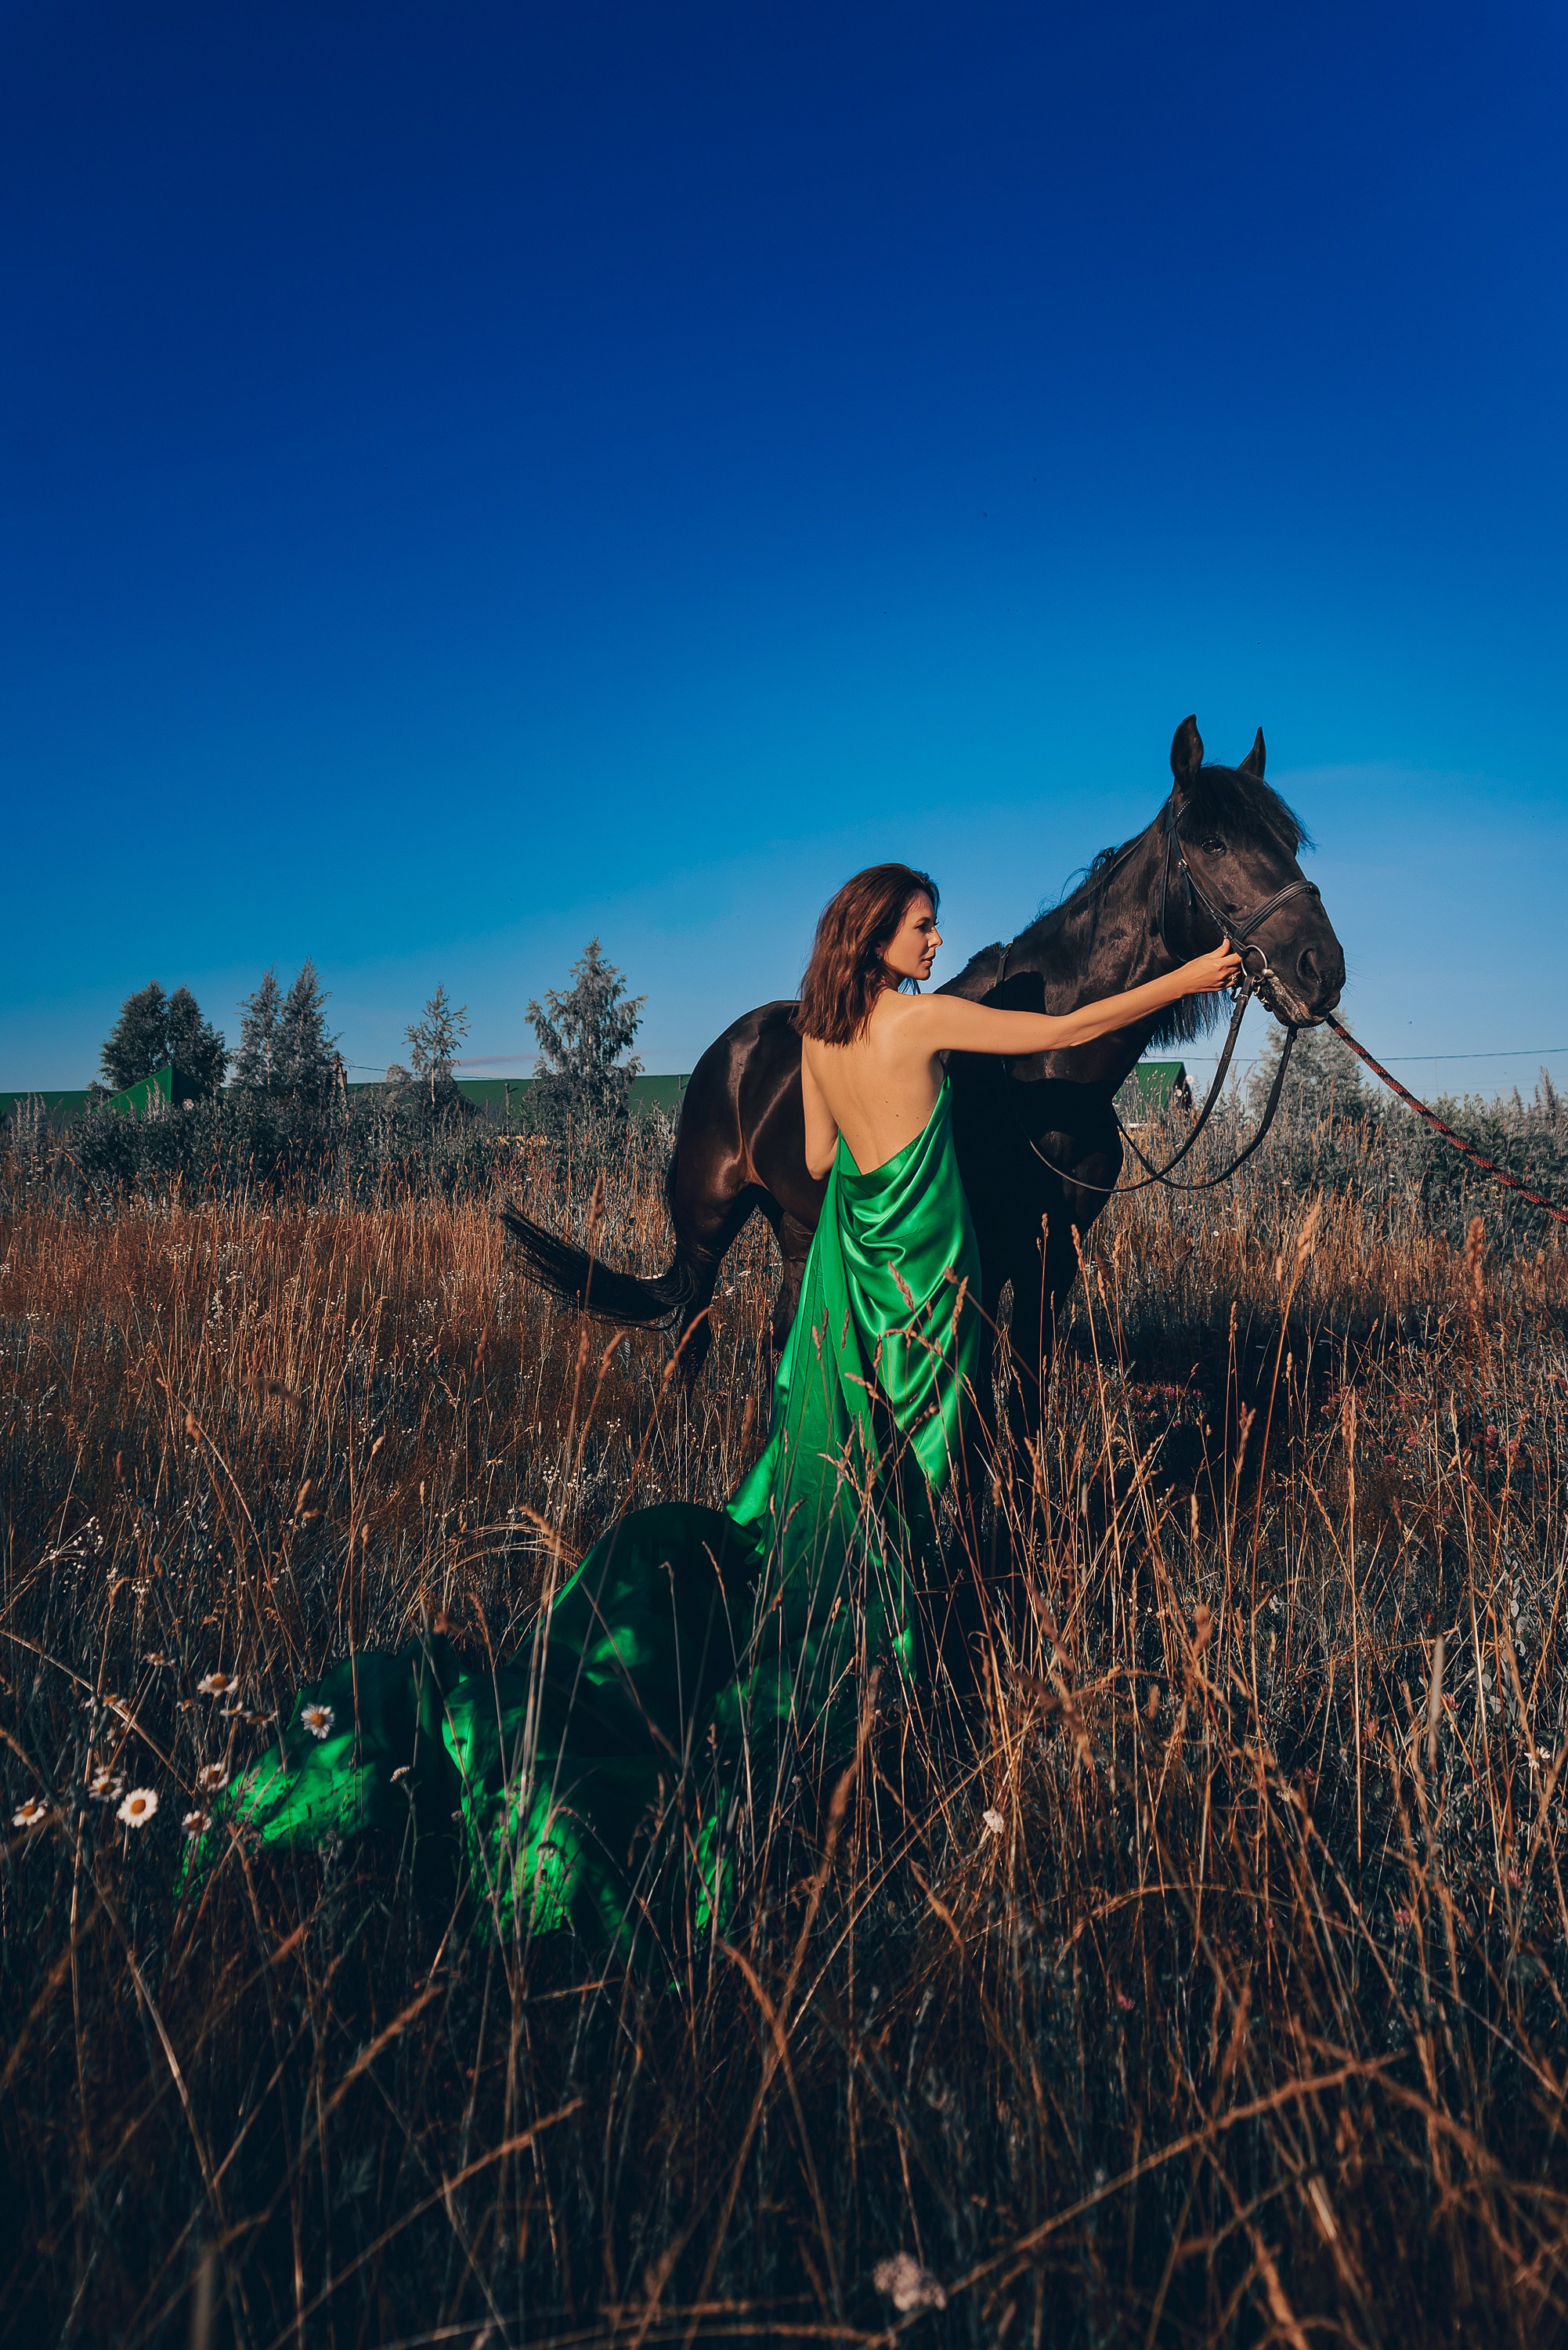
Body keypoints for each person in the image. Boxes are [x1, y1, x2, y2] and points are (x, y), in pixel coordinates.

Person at [191, 866, 1238, 1954]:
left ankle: (847, 1623)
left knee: (848, 1459)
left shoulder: (825, 1045)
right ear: (878, 934)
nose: (937, 940)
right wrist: (1195, 973)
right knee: (924, 1467)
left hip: (859, 1272)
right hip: (930, 1279)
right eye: (923, 926)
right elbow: (1090, 1016)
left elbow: (825, 1162)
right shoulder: (924, 1024)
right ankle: (890, 1668)